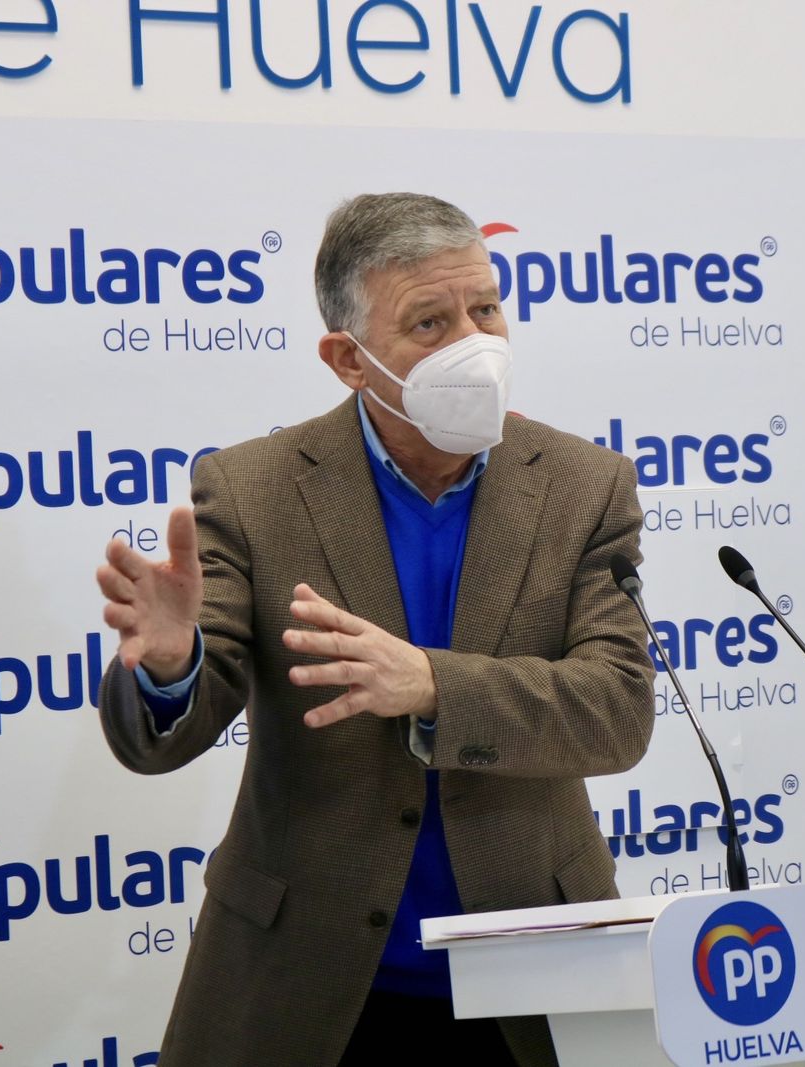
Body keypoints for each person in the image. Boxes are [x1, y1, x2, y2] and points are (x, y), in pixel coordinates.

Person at [94, 192, 655, 1066]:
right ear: (348, 359)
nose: (473, 344)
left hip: (537, 976)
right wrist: (171, 665)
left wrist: (433, 684)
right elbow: (161, 740)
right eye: (429, 323)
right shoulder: (252, 490)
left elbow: (617, 710)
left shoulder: (587, 484)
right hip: (311, 983)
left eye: (485, 309)